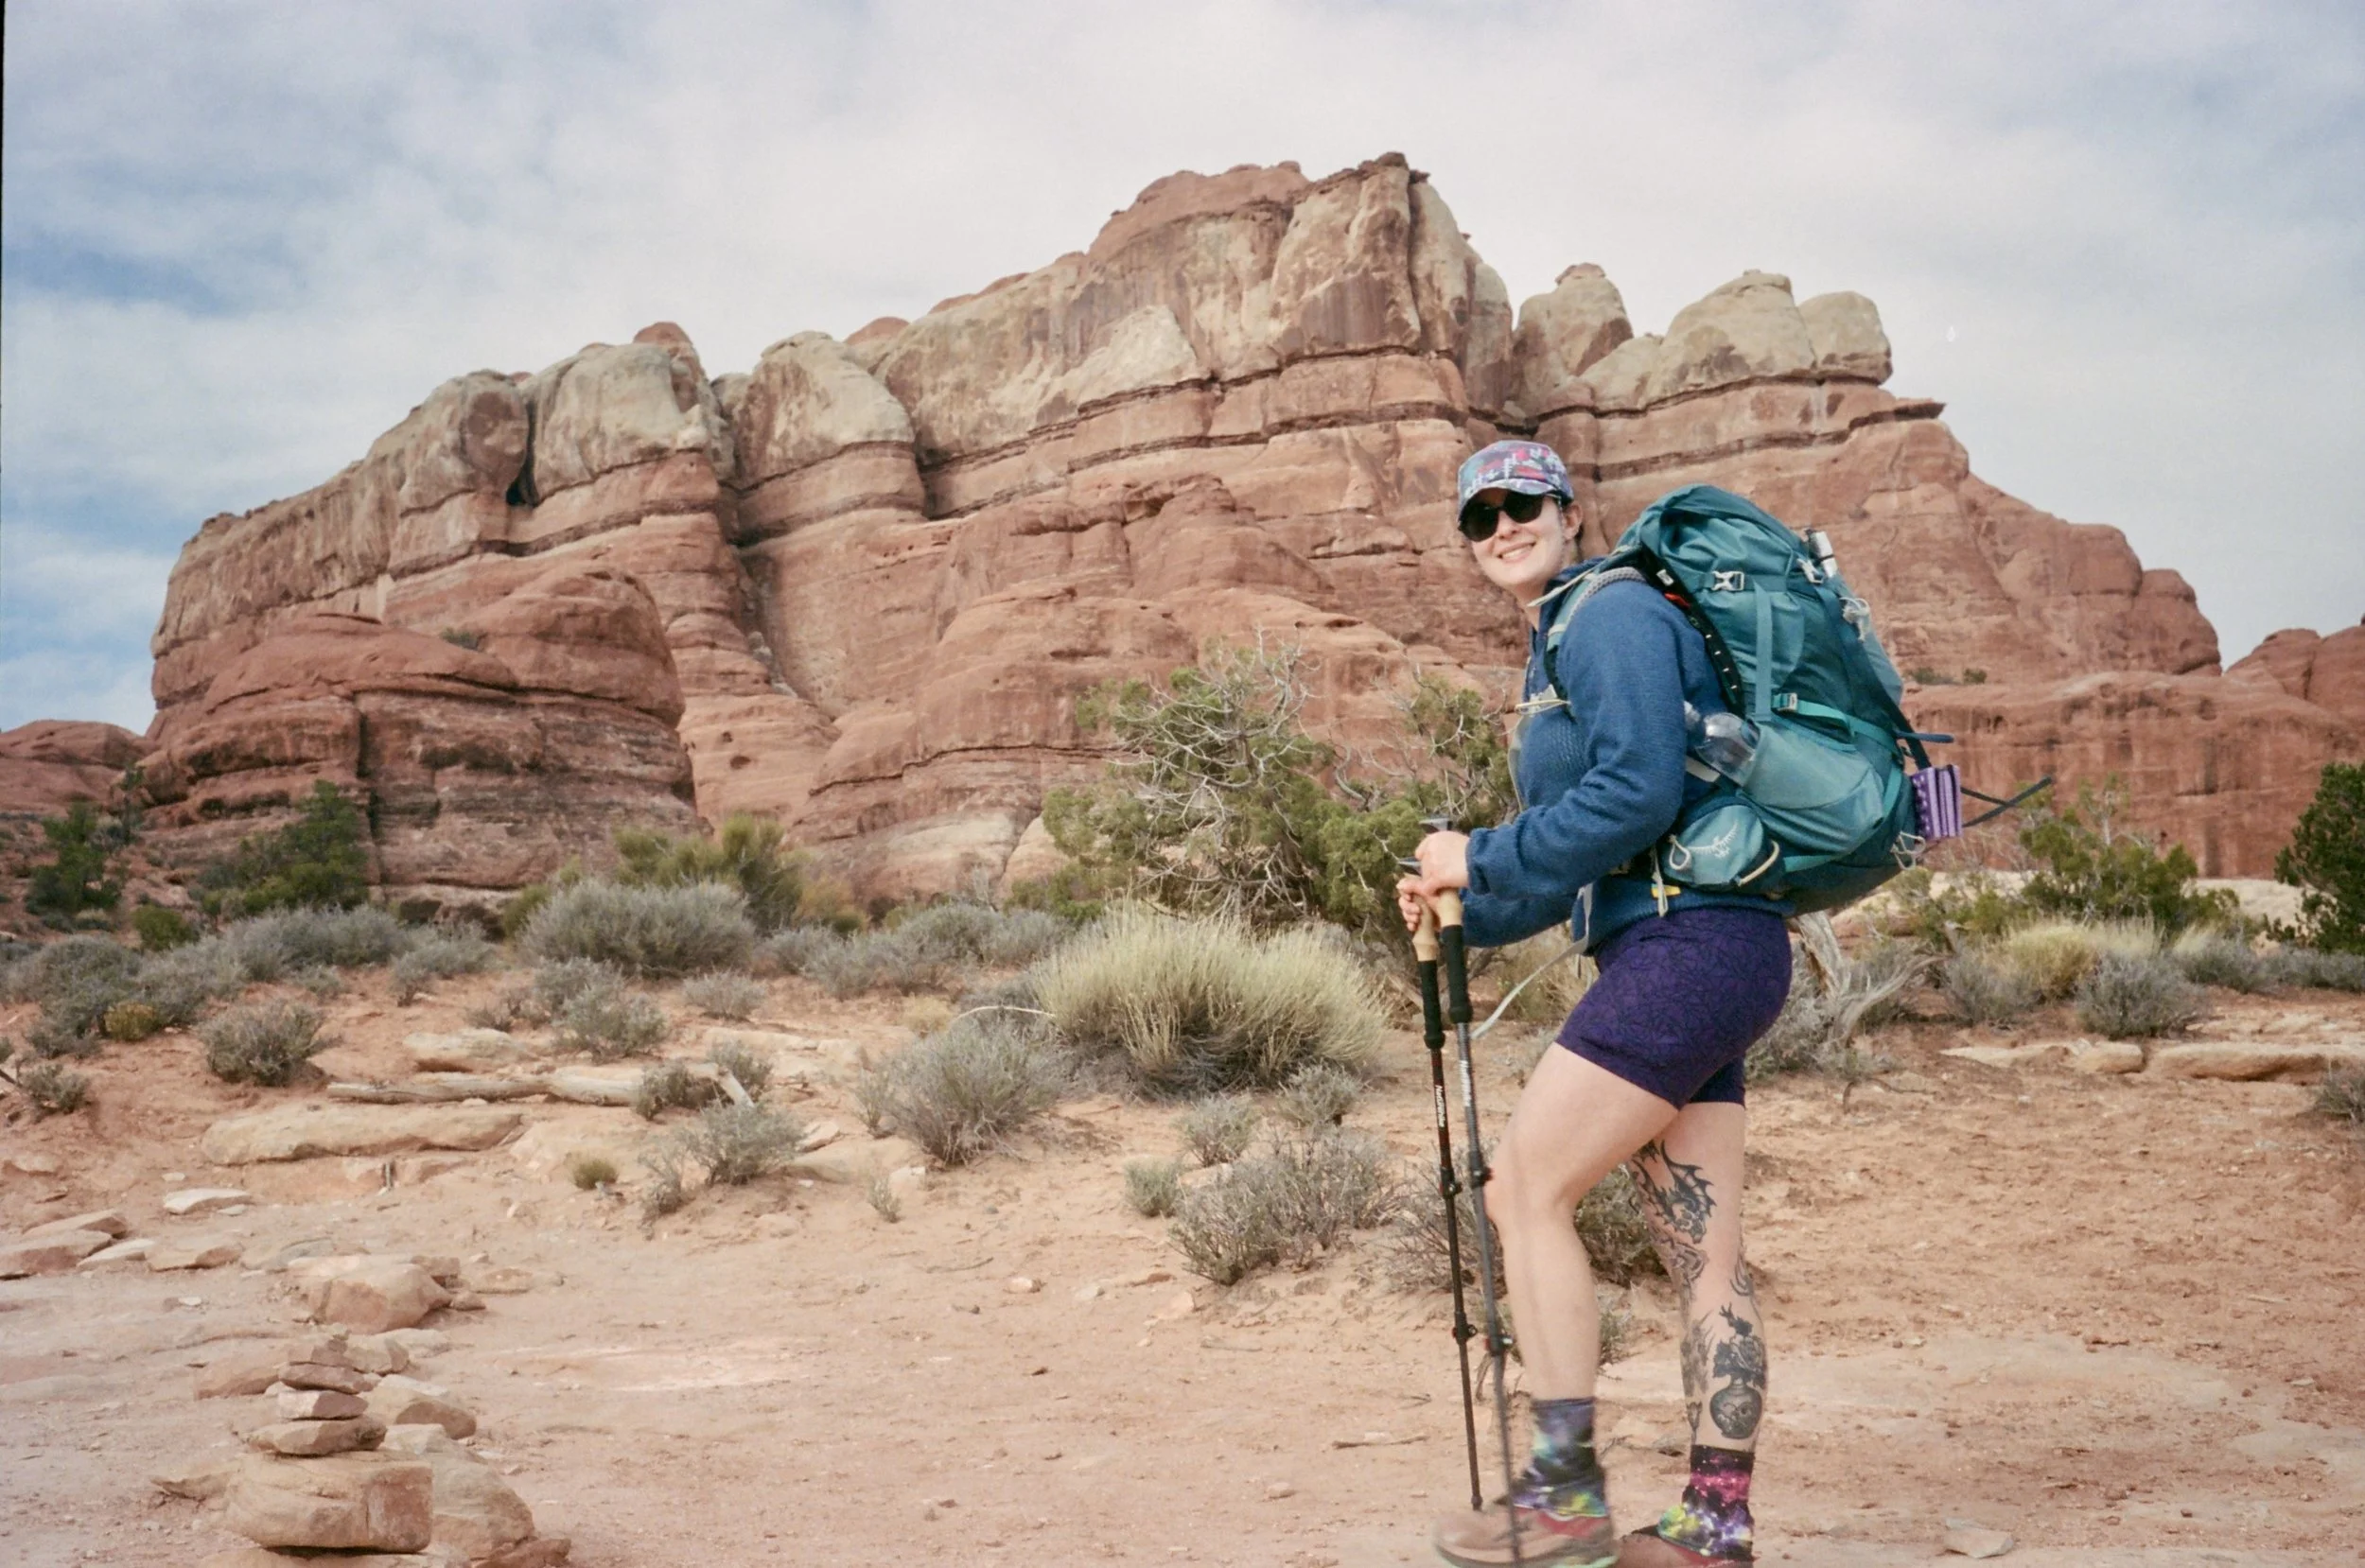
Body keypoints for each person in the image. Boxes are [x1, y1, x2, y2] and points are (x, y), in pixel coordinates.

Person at [1398, 441, 1794, 1568]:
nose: (1502, 527)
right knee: (1704, 1257)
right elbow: (1589, 861)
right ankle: (1711, 1527)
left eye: (1521, 502)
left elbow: (1638, 787)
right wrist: (1467, 899)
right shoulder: (1567, 635)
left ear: (1570, 510)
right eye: (1479, 516)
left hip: (1690, 949)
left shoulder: (1611, 612)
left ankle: (1564, 1501)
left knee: (1525, 1184)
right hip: (1704, 948)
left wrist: (1474, 847)